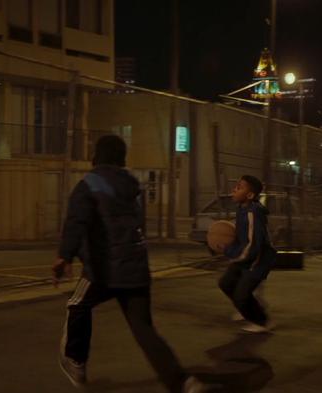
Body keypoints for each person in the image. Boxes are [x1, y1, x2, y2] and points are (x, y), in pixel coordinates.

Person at [52, 135, 207, 393]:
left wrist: (64, 256)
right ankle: (183, 383)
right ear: (122, 157)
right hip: (135, 267)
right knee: (144, 329)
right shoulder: (133, 185)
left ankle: (76, 361)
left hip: (104, 269)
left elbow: (76, 222)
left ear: (96, 155)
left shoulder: (88, 184)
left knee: (77, 304)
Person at [218, 175, 278, 333]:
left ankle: (262, 322)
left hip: (258, 261)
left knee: (241, 294)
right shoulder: (242, 209)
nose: (234, 189)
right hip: (246, 257)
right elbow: (240, 237)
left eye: (239, 187)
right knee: (226, 283)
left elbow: (252, 245)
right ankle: (247, 308)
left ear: (250, 195)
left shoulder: (253, 213)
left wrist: (230, 253)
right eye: (235, 186)